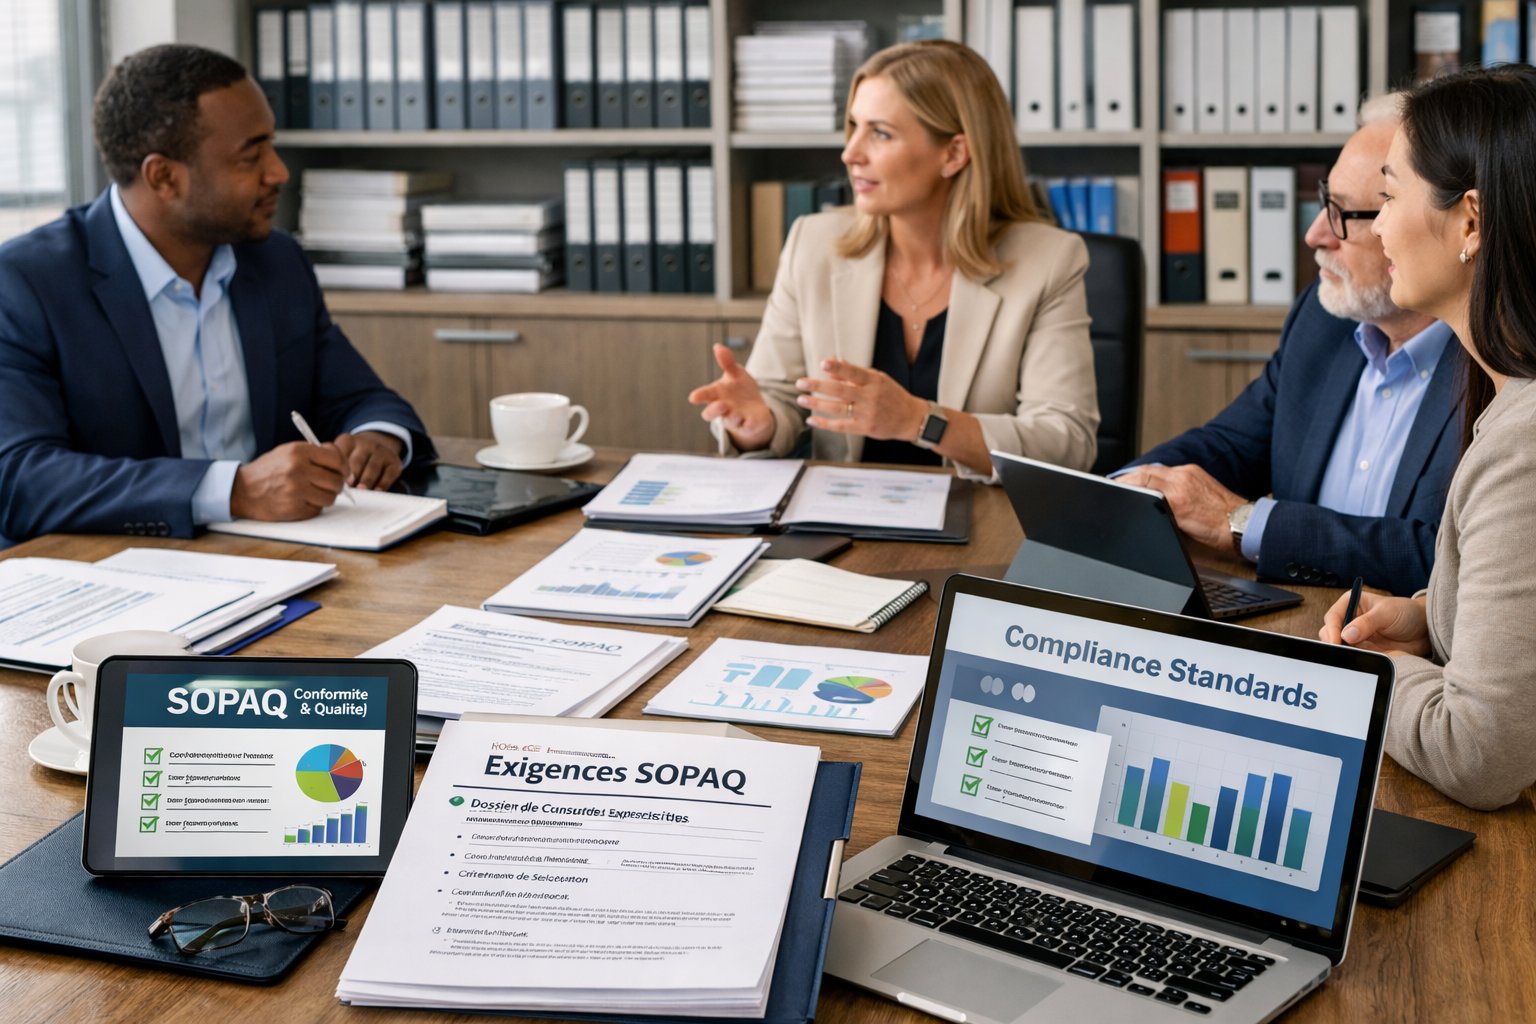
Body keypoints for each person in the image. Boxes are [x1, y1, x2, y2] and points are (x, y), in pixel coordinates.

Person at [0, 44, 433, 546]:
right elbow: (21, 478)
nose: (278, 172)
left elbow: (361, 396)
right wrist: (233, 491)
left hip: (281, 560)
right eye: (251, 156)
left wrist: (378, 439)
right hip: (117, 572)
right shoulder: (27, 283)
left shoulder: (276, 262)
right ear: (164, 176)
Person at [687, 40, 1098, 480]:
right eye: (853, 126)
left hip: (984, 529)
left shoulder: (1049, 261)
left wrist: (919, 420)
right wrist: (759, 424)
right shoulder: (813, 243)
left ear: (954, 153)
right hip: (843, 524)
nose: (850, 153)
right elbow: (781, 401)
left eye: (880, 133)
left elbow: (1066, 444)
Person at [1117, 97, 1462, 596]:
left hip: (1406, 653)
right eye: (1325, 202)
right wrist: (1129, 489)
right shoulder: (1323, 319)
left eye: (1344, 214)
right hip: (1296, 621)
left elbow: (1440, 557)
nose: (1314, 234)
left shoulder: (1493, 364)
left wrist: (1245, 523)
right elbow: (1230, 445)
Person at [1320, 64, 1536, 811]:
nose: (1375, 227)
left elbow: (1477, 753)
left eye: (1386, 197)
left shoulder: (1525, 443)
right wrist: (1434, 615)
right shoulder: (1510, 399)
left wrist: (1351, 673)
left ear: (1469, 222)